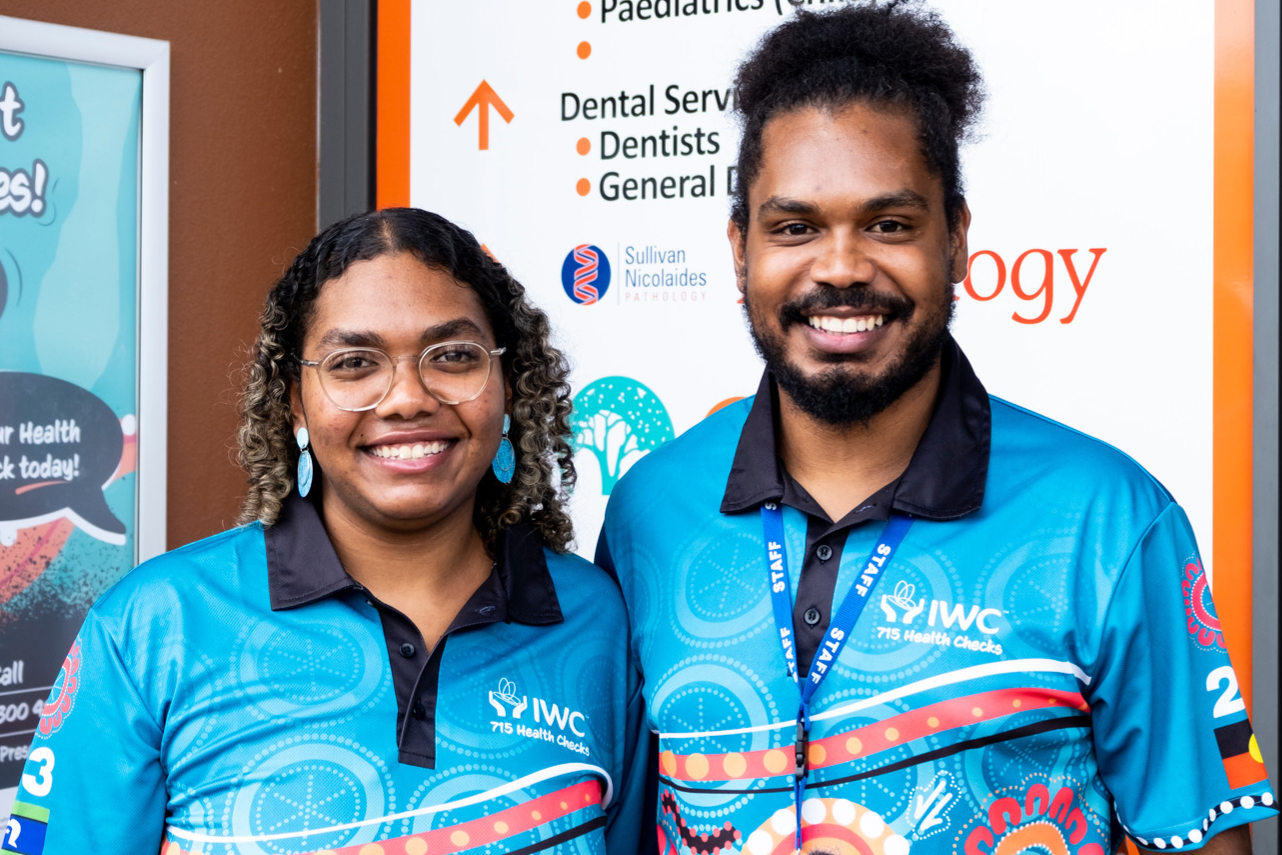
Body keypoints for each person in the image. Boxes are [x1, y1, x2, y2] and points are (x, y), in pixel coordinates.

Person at [596, 3, 1276, 854]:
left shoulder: (1109, 518)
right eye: (795, 227)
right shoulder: (649, 511)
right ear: (740, 249)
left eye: (888, 224)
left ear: (955, 239)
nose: (840, 268)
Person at [6, 209, 645, 855]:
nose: (407, 398)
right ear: (295, 401)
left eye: (453, 355)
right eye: (354, 362)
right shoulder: (157, 624)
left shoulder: (593, 620)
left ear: (507, 381)